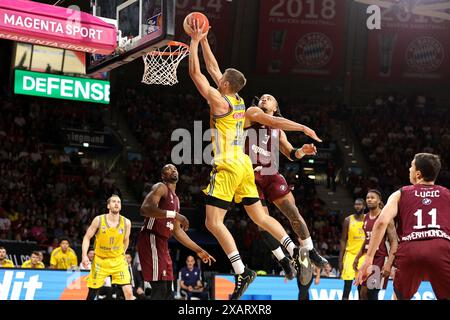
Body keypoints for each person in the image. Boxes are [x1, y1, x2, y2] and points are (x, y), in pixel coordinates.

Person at [189, 19, 322, 300]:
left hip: (227, 164)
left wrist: (191, 42)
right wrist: (203, 40)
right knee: (260, 217)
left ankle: (241, 270)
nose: (219, 76)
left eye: (222, 78)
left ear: (224, 84)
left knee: (213, 222)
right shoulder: (237, 100)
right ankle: (293, 250)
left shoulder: (219, 100)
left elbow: (197, 74)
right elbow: (213, 68)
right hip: (246, 166)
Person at [244, 94, 329, 283]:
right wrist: (304, 127)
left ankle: (310, 251)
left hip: (271, 174)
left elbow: (290, 153)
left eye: (269, 98)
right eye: (262, 97)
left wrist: (302, 151)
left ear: (276, 106)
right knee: (262, 223)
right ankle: (284, 261)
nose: (264, 99)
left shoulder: (278, 130)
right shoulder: (251, 113)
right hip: (250, 177)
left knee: (292, 211)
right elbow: (272, 120)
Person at [357, 153, 450, 300]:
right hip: (441, 247)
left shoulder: (401, 193)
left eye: (412, 166)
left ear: (418, 174)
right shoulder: (447, 194)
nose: (409, 169)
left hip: (411, 248)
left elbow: (381, 222)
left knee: (399, 297)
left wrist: (369, 258)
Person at [138, 164, 216, 300]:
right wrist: (174, 214)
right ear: (163, 176)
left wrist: (198, 249)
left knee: (168, 289)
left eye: (175, 168)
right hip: (151, 238)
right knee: (160, 287)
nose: (173, 170)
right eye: (168, 169)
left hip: (163, 243)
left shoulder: (177, 200)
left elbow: (177, 231)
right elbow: (144, 209)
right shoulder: (160, 187)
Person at [82, 194, 135, 300]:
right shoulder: (98, 220)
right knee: (92, 293)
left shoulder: (126, 222)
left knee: (129, 292)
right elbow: (87, 237)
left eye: (119, 202)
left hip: (118, 261)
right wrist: (84, 255)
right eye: (114, 201)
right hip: (100, 261)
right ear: (108, 206)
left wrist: (122, 253)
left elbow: (126, 240)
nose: (116, 204)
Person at [353, 190, 398, 300]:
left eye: (372, 197)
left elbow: (394, 242)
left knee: (371, 294)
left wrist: (389, 263)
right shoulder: (366, 218)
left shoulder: (386, 217)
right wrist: (358, 257)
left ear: (379, 201)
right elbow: (367, 240)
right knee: (361, 292)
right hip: (368, 259)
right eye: (367, 197)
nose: (369, 199)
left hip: (380, 259)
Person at [339, 198, 366, 300]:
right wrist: (340, 260)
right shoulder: (348, 220)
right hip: (350, 255)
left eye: (360, 204)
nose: (357, 206)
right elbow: (343, 240)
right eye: (356, 204)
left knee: (361, 287)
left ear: (364, 206)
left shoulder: (368, 219)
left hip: (363, 256)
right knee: (347, 286)